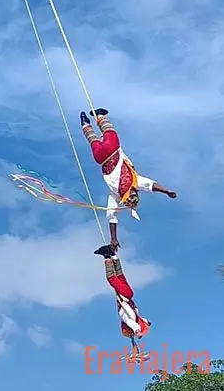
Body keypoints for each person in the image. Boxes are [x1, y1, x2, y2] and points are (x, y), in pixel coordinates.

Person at [81, 108, 176, 250]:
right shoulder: (116, 196)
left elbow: (151, 185)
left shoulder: (134, 182)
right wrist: (113, 239)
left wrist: (167, 191)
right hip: (99, 159)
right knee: (93, 141)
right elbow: (111, 216)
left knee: (109, 132)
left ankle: (99, 115)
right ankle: (85, 124)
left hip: (111, 151)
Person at [95, 244, 150, 348]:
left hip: (129, 294)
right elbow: (131, 323)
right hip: (124, 295)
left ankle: (113, 255)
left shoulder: (135, 315)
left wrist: (146, 323)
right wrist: (137, 331)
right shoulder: (127, 318)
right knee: (111, 279)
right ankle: (106, 255)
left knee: (120, 276)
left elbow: (142, 319)